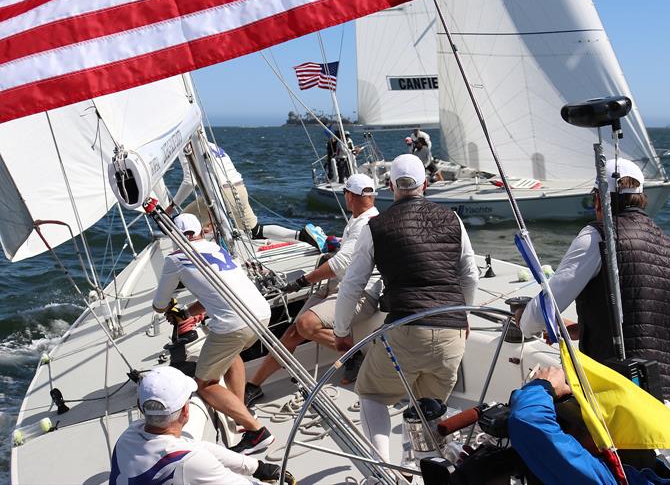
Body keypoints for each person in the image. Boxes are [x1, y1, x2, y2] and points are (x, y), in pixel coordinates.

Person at [333, 154, 479, 463]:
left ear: (389, 186)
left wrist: (341, 331)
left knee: (371, 393)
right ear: (426, 184)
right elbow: (470, 275)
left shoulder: (376, 226)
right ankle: (429, 468)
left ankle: (385, 472)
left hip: (408, 327)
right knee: (429, 407)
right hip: (452, 330)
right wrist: (463, 315)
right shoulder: (453, 218)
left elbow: (351, 286)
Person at [517, 159, 670, 409]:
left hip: (621, 389)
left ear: (599, 199)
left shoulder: (598, 236)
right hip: (667, 394)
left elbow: (544, 311)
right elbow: (642, 315)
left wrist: (524, 319)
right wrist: (582, 328)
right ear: (641, 198)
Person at [244, 174, 381, 403]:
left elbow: (340, 264)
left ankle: (354, 355)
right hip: (339, 285)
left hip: (359, 293)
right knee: (293, 332)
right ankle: (253, 385)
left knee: (306, 324)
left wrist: (302, 281)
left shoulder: (365, 223)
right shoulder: (360, 219)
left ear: (350, 196)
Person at [153, 214, 274, 454]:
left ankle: (256, 432)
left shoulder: (175, 258)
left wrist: (172, 310)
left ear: (175, 236)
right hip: (261, 314)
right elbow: (219, 290)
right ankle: (240, 413)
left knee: (205, 383)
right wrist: (188, 312)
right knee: (231, 356)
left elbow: (159, 305)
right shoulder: (216, 248)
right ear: (199, 232)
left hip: (234, 324)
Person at [109, 366, 285, 484]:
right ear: (186, 410)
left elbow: (195, 446)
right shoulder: (186, 461)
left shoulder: (127, 436)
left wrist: (256, 467)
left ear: (141, 407)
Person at [508, 366, 670, 485]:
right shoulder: (646, 471)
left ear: (603, 445)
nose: (567, 431)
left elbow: (527, 420)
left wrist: (543, 385)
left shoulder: (599, 479)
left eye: (580, 426)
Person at [169, 140, 326, 251]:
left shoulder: (187, 146)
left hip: (220, 193)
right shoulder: (209, 144)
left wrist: (172, 206)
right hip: (238, 187)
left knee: (179, 224)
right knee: (254, 231)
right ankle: (303, 235)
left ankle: (181, 271)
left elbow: (190, 182)